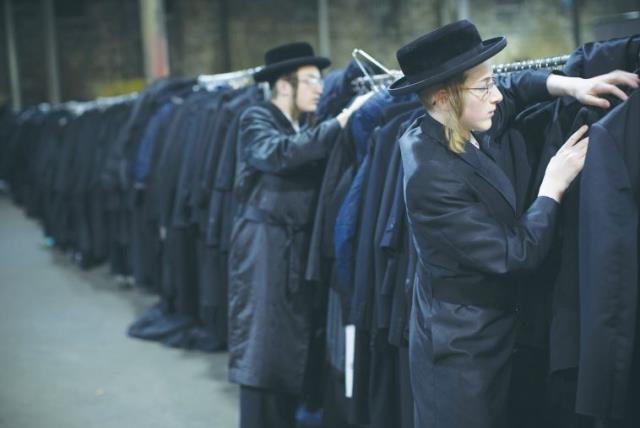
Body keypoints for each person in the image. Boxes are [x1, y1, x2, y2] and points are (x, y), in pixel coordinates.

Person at [388, 20, 640, 428]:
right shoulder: (429, 174)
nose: (498, 95)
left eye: (492, 81)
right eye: (484, 87)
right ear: (441, 97)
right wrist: (552, 187)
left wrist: (573, 85)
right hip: (460, 349)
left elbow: (518, 85)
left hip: (498, 329)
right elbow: (513, 253)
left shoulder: (462, 120)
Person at [227, 42, 372, 428]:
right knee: (262, 352)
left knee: (288, 349)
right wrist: (342, 121)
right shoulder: (255, 118)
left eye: (320, 79)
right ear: (283, 84)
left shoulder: (303, 123)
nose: (319, 88)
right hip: (264, 251)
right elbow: (280, 154)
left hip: (290, 251)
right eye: (310, 80)